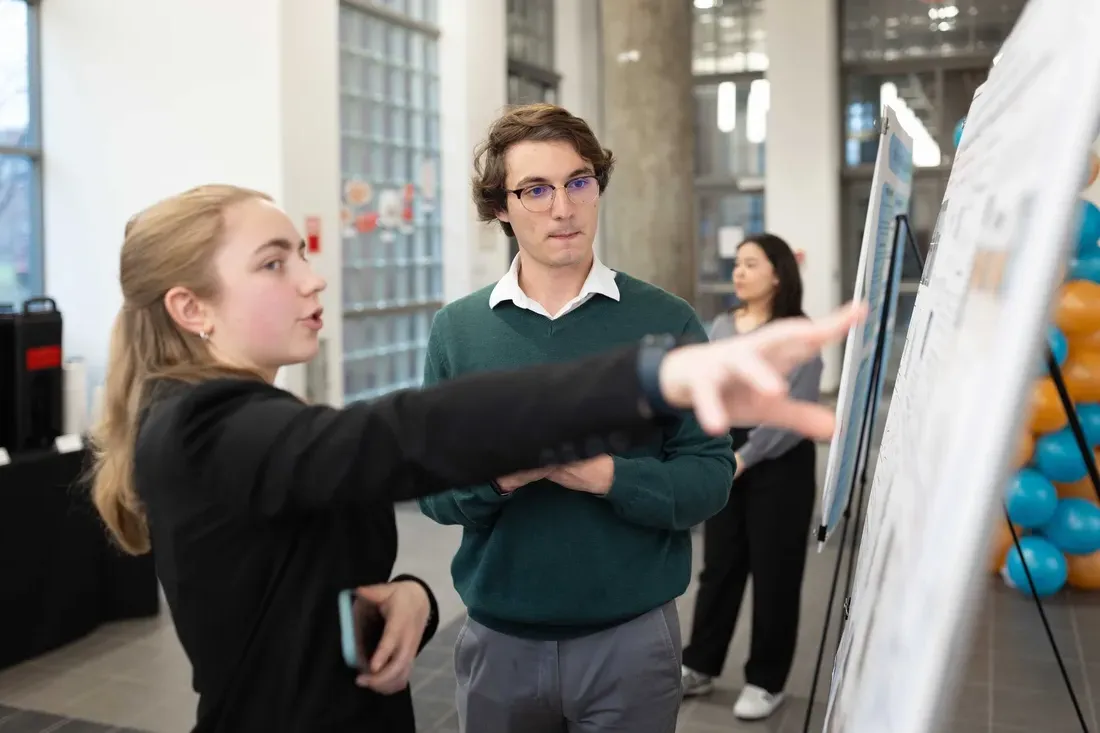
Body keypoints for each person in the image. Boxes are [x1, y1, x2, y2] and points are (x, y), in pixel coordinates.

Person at [89, 184, 859, 733]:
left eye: (299, 252)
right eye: (273, 262)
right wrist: (648, 376)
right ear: (191, 308)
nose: (312, 275)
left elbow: (305, 583)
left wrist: (415, 596)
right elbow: (400, 436)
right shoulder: (200, 427)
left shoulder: (240, 418)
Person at [416, 103, 734, 733]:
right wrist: (501, 476)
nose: (562, 208)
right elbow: (429, 489)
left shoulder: (666, 322)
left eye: (578, 182)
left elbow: (711, 477)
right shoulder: (459, 330)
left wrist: (608, 477)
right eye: (535, 190)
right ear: (500, 208)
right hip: (498, 641)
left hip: (632, 640)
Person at [680, 233, 823, 721]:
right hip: (726, 453)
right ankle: (699, 664)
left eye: (750, 264)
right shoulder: (721, 325)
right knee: (719, 567)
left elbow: (789, 412)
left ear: (778, 275)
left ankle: (766, 680)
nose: (738, 272)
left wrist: (743, 458)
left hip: (779, 463)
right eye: (736, 264)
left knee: (775, 574)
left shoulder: (798, 334)